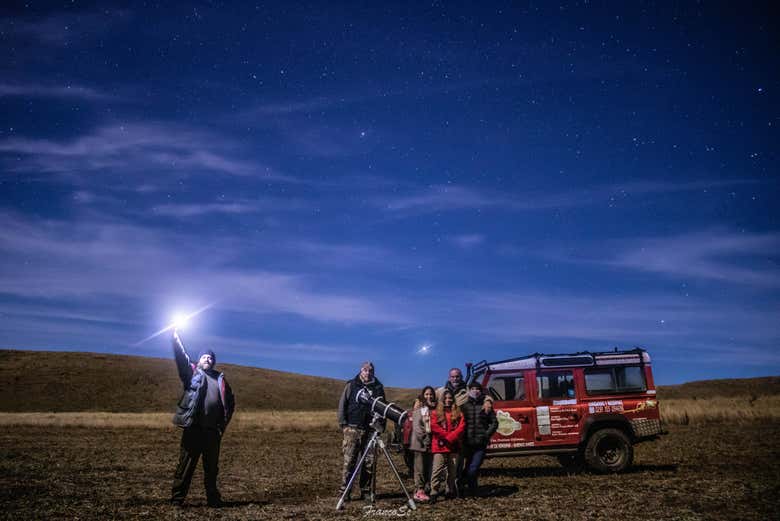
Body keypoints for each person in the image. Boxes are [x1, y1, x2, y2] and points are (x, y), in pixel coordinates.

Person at [170, 329, 235, 507]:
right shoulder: (191, 373)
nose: (208, 359)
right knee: (185, 467)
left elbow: (230, 402)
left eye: (211, 357)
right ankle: (177, 499)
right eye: (205, 357)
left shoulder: (221, 380)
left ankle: (213, 500)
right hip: (193, 429)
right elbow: (181, 356)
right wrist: (175, 336)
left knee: (212, 469)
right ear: (199, 360)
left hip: (212, 432)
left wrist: (223, 425)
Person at [337, 361, 385, 500]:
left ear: (373, 372)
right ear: (360, 371)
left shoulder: (378, 387)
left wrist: (380, 427)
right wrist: (343, 424)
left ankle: (365, 490)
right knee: (349, 460)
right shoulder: (351, 384)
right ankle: (345, 491)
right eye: (365, 370)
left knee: (369, 462)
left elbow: (382, 408)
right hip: (352, 428)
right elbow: (342, 404)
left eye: (370, 370)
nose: (367, 373)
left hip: (371, 430)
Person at [459, 382, 498, 496]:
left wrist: (486, 435)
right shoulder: (464, 406)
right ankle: (471, 490)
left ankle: (472, 490)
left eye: (477, 389)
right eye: (473, 389)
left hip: (480, 444)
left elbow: (494, 423)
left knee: (473, 468)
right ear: (469, 391)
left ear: (481, 392)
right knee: (468, 468)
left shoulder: (486, 406)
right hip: (467, 443)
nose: (475, 391)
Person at [429, 389, 465, 501]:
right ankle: (434, 491)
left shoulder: (458, 413)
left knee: (452, 469)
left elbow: (462, 426)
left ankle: (450, 490)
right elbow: (434, 427)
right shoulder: (435, 413)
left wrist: (451, 437)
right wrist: (448, 437)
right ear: (441, 400)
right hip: (439, 445)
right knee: (437, 469)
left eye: (450, 398)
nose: (448, 400)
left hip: (454, 446)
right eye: (445, 398)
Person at [409, 386, 437, 502]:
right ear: (422, 395)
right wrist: (426, 440)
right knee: (419, 468)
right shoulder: (418, 408)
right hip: (420, 443)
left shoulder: (434, 408)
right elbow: (417, 428)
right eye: (426, 394)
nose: (429, 396)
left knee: (429, 467)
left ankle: (426, 488)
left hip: (430, 443)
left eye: (431, 394)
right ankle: (418, 491)